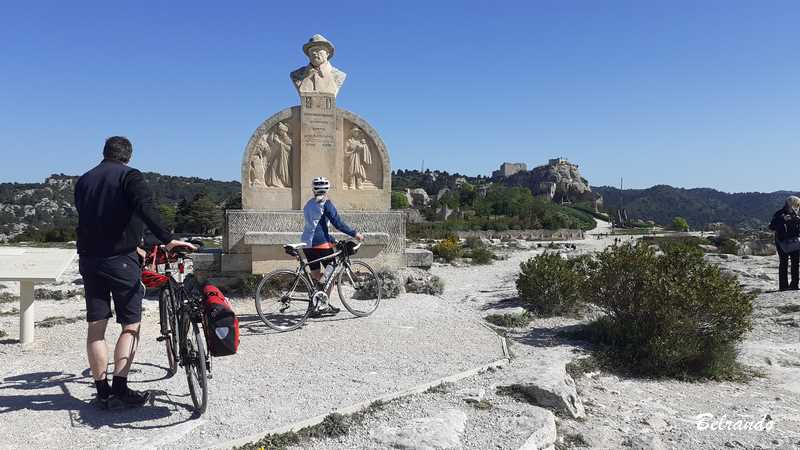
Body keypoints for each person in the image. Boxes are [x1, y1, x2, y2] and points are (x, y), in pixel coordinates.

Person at [75, 136, 195, 409]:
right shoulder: (129, 176)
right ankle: (120, 386)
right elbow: (146, 207)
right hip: (120, 260)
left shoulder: (84, 180)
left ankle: (101, 391)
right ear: (128, 156)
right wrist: (167, 238)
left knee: (96, 327)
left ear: (104, 153)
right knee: (130, 325)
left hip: (89, 259)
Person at [300, 176, 364, 315]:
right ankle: (323, 304)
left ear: (314, 189)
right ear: (327, 189)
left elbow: (315, 226)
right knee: (332, 273)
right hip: (320, 244)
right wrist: (355, 234)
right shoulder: (326, 204)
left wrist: (332, 239)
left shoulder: (309, 204)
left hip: (306, 243)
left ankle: (318, 301)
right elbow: (338, 223)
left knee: (317, 274)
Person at [769, 196, 800, 291]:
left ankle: (794, 285)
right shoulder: (779, 214)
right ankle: (783, 286)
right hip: (782, 242)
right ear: (791, 203)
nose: (798, 206)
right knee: (783, 263)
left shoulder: (796, 214)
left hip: (794, 241)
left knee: (795, 263)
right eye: (797, 204)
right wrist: (783, 220)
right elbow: (772, 227)